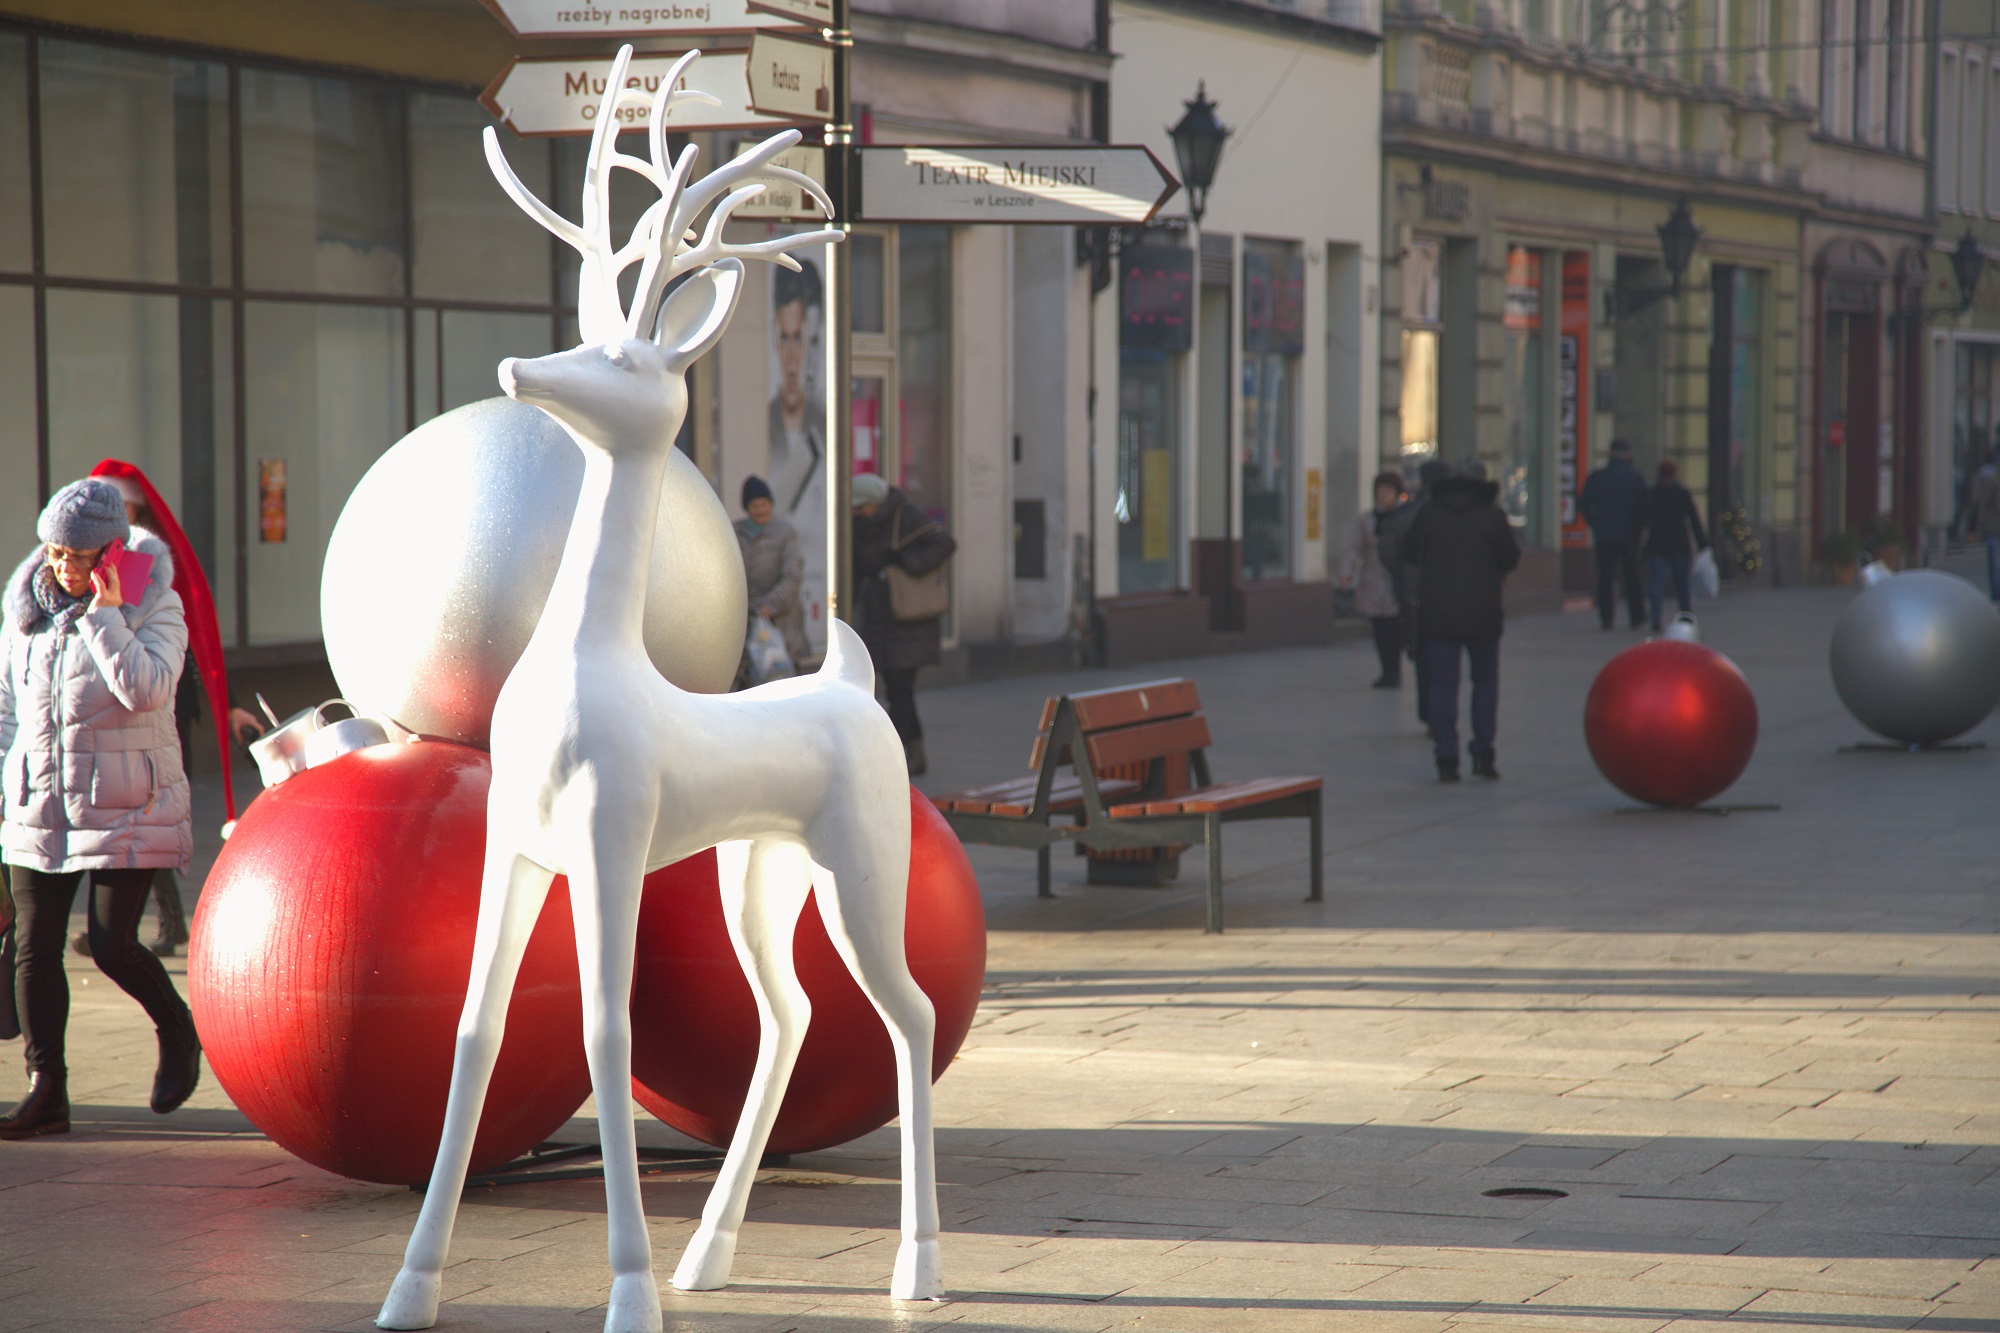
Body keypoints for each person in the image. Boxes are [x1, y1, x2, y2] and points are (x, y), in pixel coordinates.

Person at [0, 479, 202, 1139]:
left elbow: (146, 689)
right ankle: (46, 1089)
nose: (62, 565)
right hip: (40, 801)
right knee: (35, 946)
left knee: (114, 945)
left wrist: (104, 612)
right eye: (55, 550)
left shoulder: (156, 603)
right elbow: (9, 708)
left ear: (112, 552)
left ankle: (178, 1030)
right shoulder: (26, 610)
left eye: (79, 555)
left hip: (124, 802)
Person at [68, 474, 262, 959]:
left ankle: (144, 925)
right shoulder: (83, 562)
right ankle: (146, 925)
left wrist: (228, 701)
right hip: (106, 717)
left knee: (147, 813)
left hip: (156, 707)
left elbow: (190, 640)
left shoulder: (143, 561)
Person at [1404, 458, 1521, 782]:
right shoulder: (1492, 515)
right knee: (1484, 681)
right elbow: (1510, 557)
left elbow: (1410, 551)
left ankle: (1446, 758)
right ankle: (1483, 753)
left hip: (1438, 611)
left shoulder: (1430, 512)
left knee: (1442, 685)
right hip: (1483, 610)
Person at [851, 471, 955, 776]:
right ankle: (914, 751)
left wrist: (906, 563)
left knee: (899, 688)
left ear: (874, 502)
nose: (858, 513)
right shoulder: (863, 523)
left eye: (862, 507)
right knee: (898, 690)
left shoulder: (905, 516)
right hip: (879, 615)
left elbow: (944, 544)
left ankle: (897, 755)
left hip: (908, 619)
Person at [1377, 459, 1452, 723]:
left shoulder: (1405, 514)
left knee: (1422, 652)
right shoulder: (1452, 512)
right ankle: (1441, 713)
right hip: (1449, 595)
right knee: (1446, 658)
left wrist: (1401, 576)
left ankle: (1427, 711)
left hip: (1414, 594)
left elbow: (1387, 550)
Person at [734, 475, 810, 682]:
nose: (760, 510)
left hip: (781, 623)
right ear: (746, 508)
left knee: (782, 682)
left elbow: (793, 576)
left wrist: (769, 606)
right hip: (744, 622)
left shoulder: (786, 533)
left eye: (764, 504)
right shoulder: (735, 532)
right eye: (754, 505)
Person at [1338, 472, 1408, 688]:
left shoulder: (1405, 517)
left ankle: (1394, 671)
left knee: (1395, 629)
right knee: (1379, 629)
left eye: (1388, 491)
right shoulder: (1367, 520)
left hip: (1398, 582)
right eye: (1380, 491)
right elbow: (1354, 548)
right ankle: (1386, 671)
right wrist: (1346, 572)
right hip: (1373, 581)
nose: (1384, 495)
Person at [1579, 437, 1649, 630]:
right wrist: (1639, 528)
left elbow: (1584, 504)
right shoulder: (1635, 477)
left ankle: (1606, 617)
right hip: (1629, 536)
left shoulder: (1597, 476)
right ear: (1628, 454)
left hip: (1605, 536)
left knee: (1605, 578)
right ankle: (1636, 616)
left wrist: (1596, 524)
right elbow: (1645, 506)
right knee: (1632, 576)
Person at [1639, 458, 1709, 633]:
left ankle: (1656, 620)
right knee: (1682, 585)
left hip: (1658, 545)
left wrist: (1639, 544)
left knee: (1657, 584)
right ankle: (1686, 619)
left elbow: (1643, 520)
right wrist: (1702, 543)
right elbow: (1694, 519)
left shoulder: (1653, 493)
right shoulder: (1682, 493)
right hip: (1680, 546)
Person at [1973, 443, 2000, 602]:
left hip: (1993, 528)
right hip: (1994, 528)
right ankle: (1997, 595)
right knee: (1995, 565)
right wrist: (1981, 528)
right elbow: (1983, 506)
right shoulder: (1992, 481)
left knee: (1995, 564)